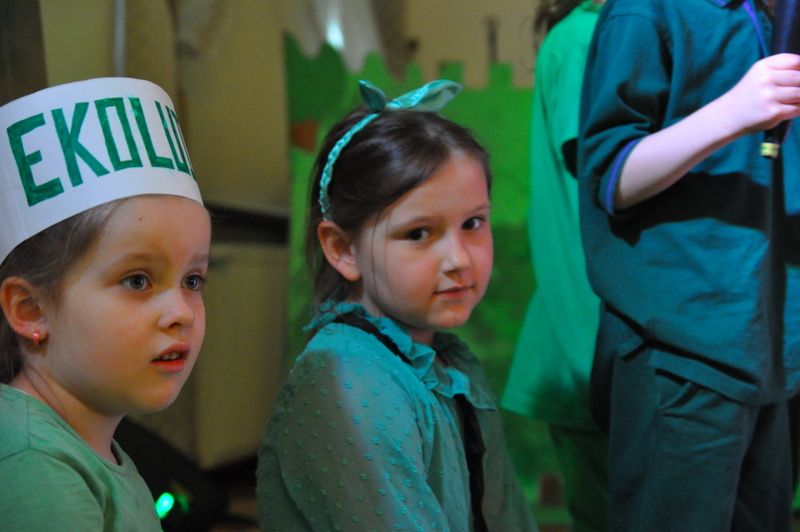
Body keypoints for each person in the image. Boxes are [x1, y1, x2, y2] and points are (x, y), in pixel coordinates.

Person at [256, 80, 537, 531]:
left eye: (473, 223)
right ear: (343, 248)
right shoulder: (347, 383)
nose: (459, 259)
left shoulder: (446, 361)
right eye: (418, 233)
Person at [578, 0, 800, 529]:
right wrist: (731, 112)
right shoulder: (645, 12)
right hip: (683, 347)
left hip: (775, 345)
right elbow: (611, 178)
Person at [0, 77, 211, 530]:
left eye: (192, 280)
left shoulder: (89, 446)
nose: (182, 313)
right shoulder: (34, 468)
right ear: (30, 309)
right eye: (137, 281)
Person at [501, 2, 607, 531]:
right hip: (589, 332)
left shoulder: (584, 35)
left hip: (592, 331)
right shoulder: (585, 38)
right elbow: (605, 173)